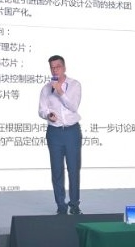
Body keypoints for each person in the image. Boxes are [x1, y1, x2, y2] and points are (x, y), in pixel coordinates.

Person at [38, 54, 83, 215]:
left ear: (64, 67)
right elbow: (41, 110)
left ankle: (74, 205)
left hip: (71, 132)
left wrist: (59, 91)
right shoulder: (45, 89)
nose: (55, 70)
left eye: (57, 67)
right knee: (57, 170)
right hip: (54, 133)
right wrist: (48, 115)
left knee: (73, 169)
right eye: (52, 67)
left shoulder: (74, 85)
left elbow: (73, 106)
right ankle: (61, 206)